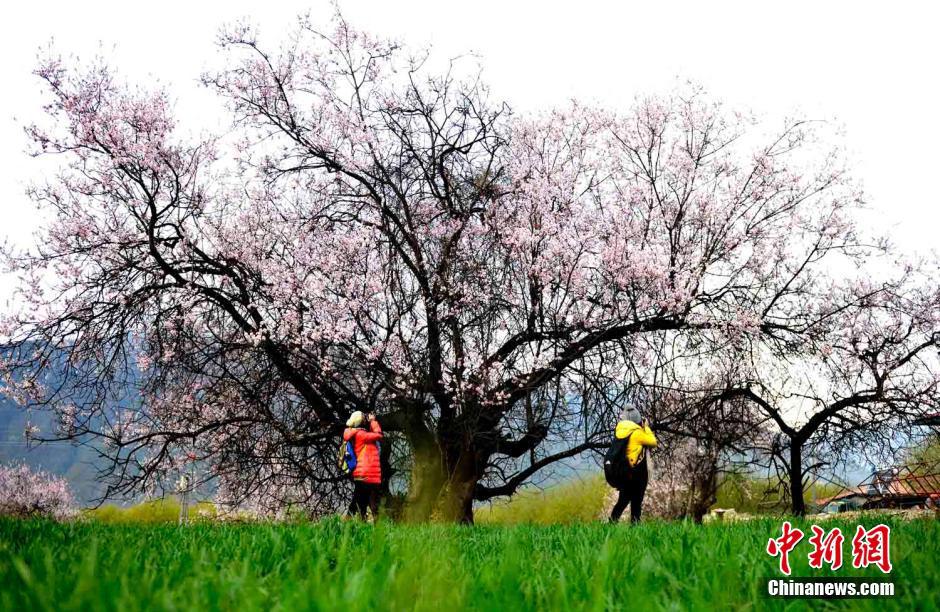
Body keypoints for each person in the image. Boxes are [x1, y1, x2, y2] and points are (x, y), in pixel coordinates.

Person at [609, 406, 658, 523]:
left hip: (625, 472)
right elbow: (653, 442)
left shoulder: (620, 432)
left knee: (623, 501)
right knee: (636, 502)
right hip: (637, 473)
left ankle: (611, 523)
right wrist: (646, 427)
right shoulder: (637, 433)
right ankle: (635, 527)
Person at [343, 410, 383, 520]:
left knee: (360, 503)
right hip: (367, 474)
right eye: (364, 418)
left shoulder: (357, 434)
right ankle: (377, 529)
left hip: (363, 474)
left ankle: (353, 524)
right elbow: (378, 435)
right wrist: (373, 421)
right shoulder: (361, 435)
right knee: (372, 505)